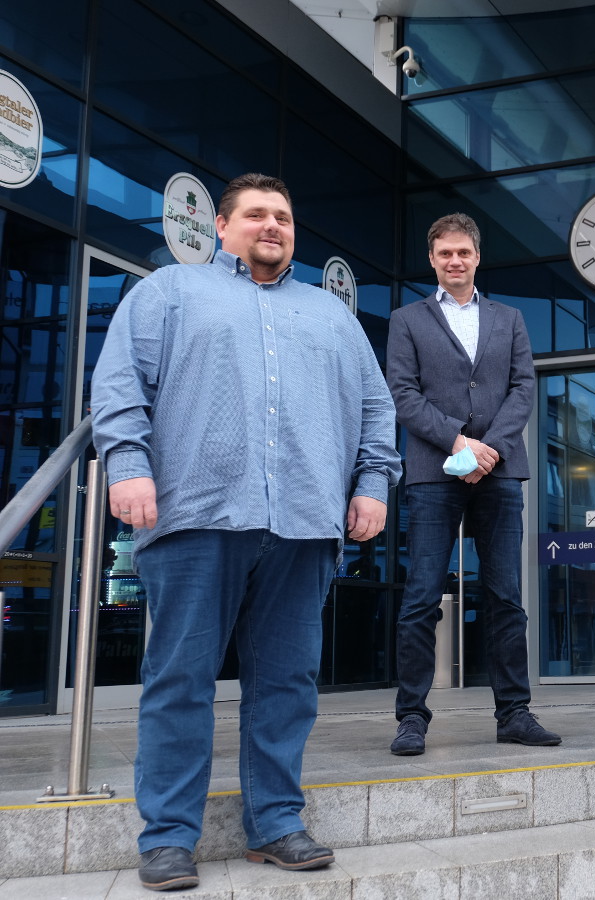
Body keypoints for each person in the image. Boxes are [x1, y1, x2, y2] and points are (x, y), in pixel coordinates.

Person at [91, 173, 402, 892]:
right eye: (257, 214)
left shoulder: (331, 317)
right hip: (198, 513)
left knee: (287, 684)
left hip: (302, 522)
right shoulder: (169, 293)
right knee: (180, 680)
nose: (273, 225)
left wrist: (373, 484)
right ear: (222, 227)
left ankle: (275, 824)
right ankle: (168, 837)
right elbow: (119, 385)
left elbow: (376, 411)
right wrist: (128, 464)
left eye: (284, 217)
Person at [386, 212, 559, 755]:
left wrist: (491, 448)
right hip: (435, 471)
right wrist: (459, 442)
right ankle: (411, 717)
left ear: (477, 257)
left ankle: (514, 712)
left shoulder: (509, 319)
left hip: (501, 470)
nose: (454, 261)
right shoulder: (407, 319)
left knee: (506, 596)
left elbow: (522, 388)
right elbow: (403, 393)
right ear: (432, 260)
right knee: (420, 597)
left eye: (463, 252)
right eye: (444, 254)